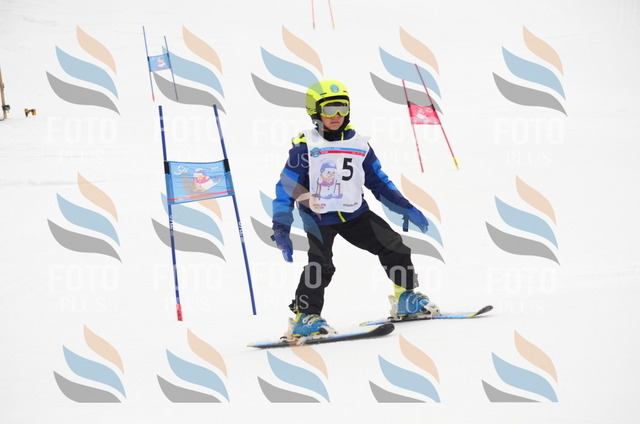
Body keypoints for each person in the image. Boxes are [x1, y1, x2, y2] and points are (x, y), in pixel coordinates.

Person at [271, 79, 439, 338]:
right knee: (320, 265)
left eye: (342, 108)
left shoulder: (359, 144)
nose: (336, 115)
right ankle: (305, 317)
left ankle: (405, 298)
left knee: (394, 246)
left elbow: (378, 181)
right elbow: (287, 186)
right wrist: (281, 225)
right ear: (315, 111)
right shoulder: (306, 147)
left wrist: (404, 207)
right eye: (329, 109)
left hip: (354, 213)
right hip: (318, 217)